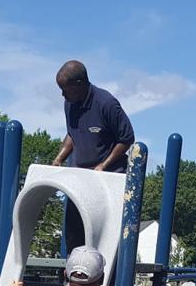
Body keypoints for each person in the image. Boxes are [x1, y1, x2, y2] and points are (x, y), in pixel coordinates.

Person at [51, 60, 135, 251]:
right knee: (74, 235)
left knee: (102, 237)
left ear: (80, 83)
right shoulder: (69, 104)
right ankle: (74, 277)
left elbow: (127, 138)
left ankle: (106, 278)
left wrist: (103, 165)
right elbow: (73, 133)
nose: (62, 94)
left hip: (107, 179)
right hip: (80, 180)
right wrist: (59, 158)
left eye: (65, 89)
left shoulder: (106, 103)